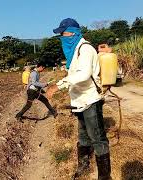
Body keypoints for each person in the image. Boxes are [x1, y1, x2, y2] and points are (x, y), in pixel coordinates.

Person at [47, 18, 111, 180]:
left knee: (97, 138)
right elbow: (74, 73)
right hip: (79, 101)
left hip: (90, 99)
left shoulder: (86, 49)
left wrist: (58, 85)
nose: (62, 37)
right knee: (83, 136)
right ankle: (83, 166)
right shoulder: (75, 51)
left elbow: (83, 75)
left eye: (64, 33)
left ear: (74, 33)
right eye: (60, 34)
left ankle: (104, 176)